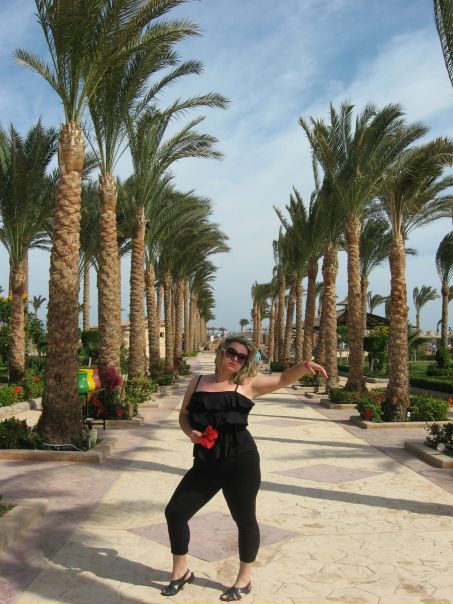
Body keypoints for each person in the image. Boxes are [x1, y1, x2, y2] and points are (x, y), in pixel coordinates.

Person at [161, 336, 328, 600]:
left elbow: (283, 379)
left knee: (245, 519)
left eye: (242, 357)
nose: (235, 359)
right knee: (175, 512)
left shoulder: (248, 383)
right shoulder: (198, 381)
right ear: (221, 352)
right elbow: (184, 415)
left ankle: (244, 579)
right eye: (231, 352)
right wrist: (190, 432)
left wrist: (305, 365)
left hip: (241, 462)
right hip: (206, 462)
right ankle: (180, 571)